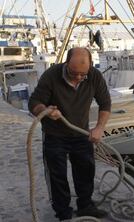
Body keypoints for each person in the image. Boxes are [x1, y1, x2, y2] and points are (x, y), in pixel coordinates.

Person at [28, 47, 111, 221]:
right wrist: (46, 110)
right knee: (57, 174)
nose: (79, 78)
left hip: (80, 133)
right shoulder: (51, 75)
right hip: (54, 134)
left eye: (83, 74)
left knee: (86, 170)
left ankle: (85, 206)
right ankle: (63, 212)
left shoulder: (94, 76)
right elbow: (34, 102)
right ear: (66, 63)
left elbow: (105, 103)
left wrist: (99, 128)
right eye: (74, 73)